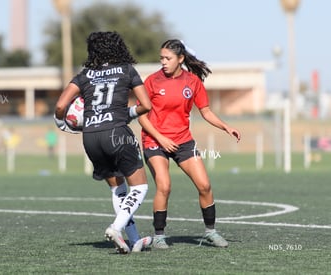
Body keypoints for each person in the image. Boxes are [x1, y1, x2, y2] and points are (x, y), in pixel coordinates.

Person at [54, 31, 153, 254]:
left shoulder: (84, 75)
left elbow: (61, 106)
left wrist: (63, 124)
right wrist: (126, 113)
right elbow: (146, 105)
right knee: (140, 187)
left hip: (91, 137)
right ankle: (116, 228)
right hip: (117, 133)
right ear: (119, 48)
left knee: (118, 187)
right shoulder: (127, 70)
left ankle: (134, 240)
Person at [138, 39, 241, 249]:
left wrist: (225, 127)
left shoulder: (192, 82)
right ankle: (159, 236)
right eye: (161, 58)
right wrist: (161, 138)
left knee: (205, 185)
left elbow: (206, 111)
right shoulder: (152, 81)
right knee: (164, 186)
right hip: (154, 140)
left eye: (168, 58)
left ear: (180, 59)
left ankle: (211, 232)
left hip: (183, 140)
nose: (163, 62)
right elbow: (141, 116)